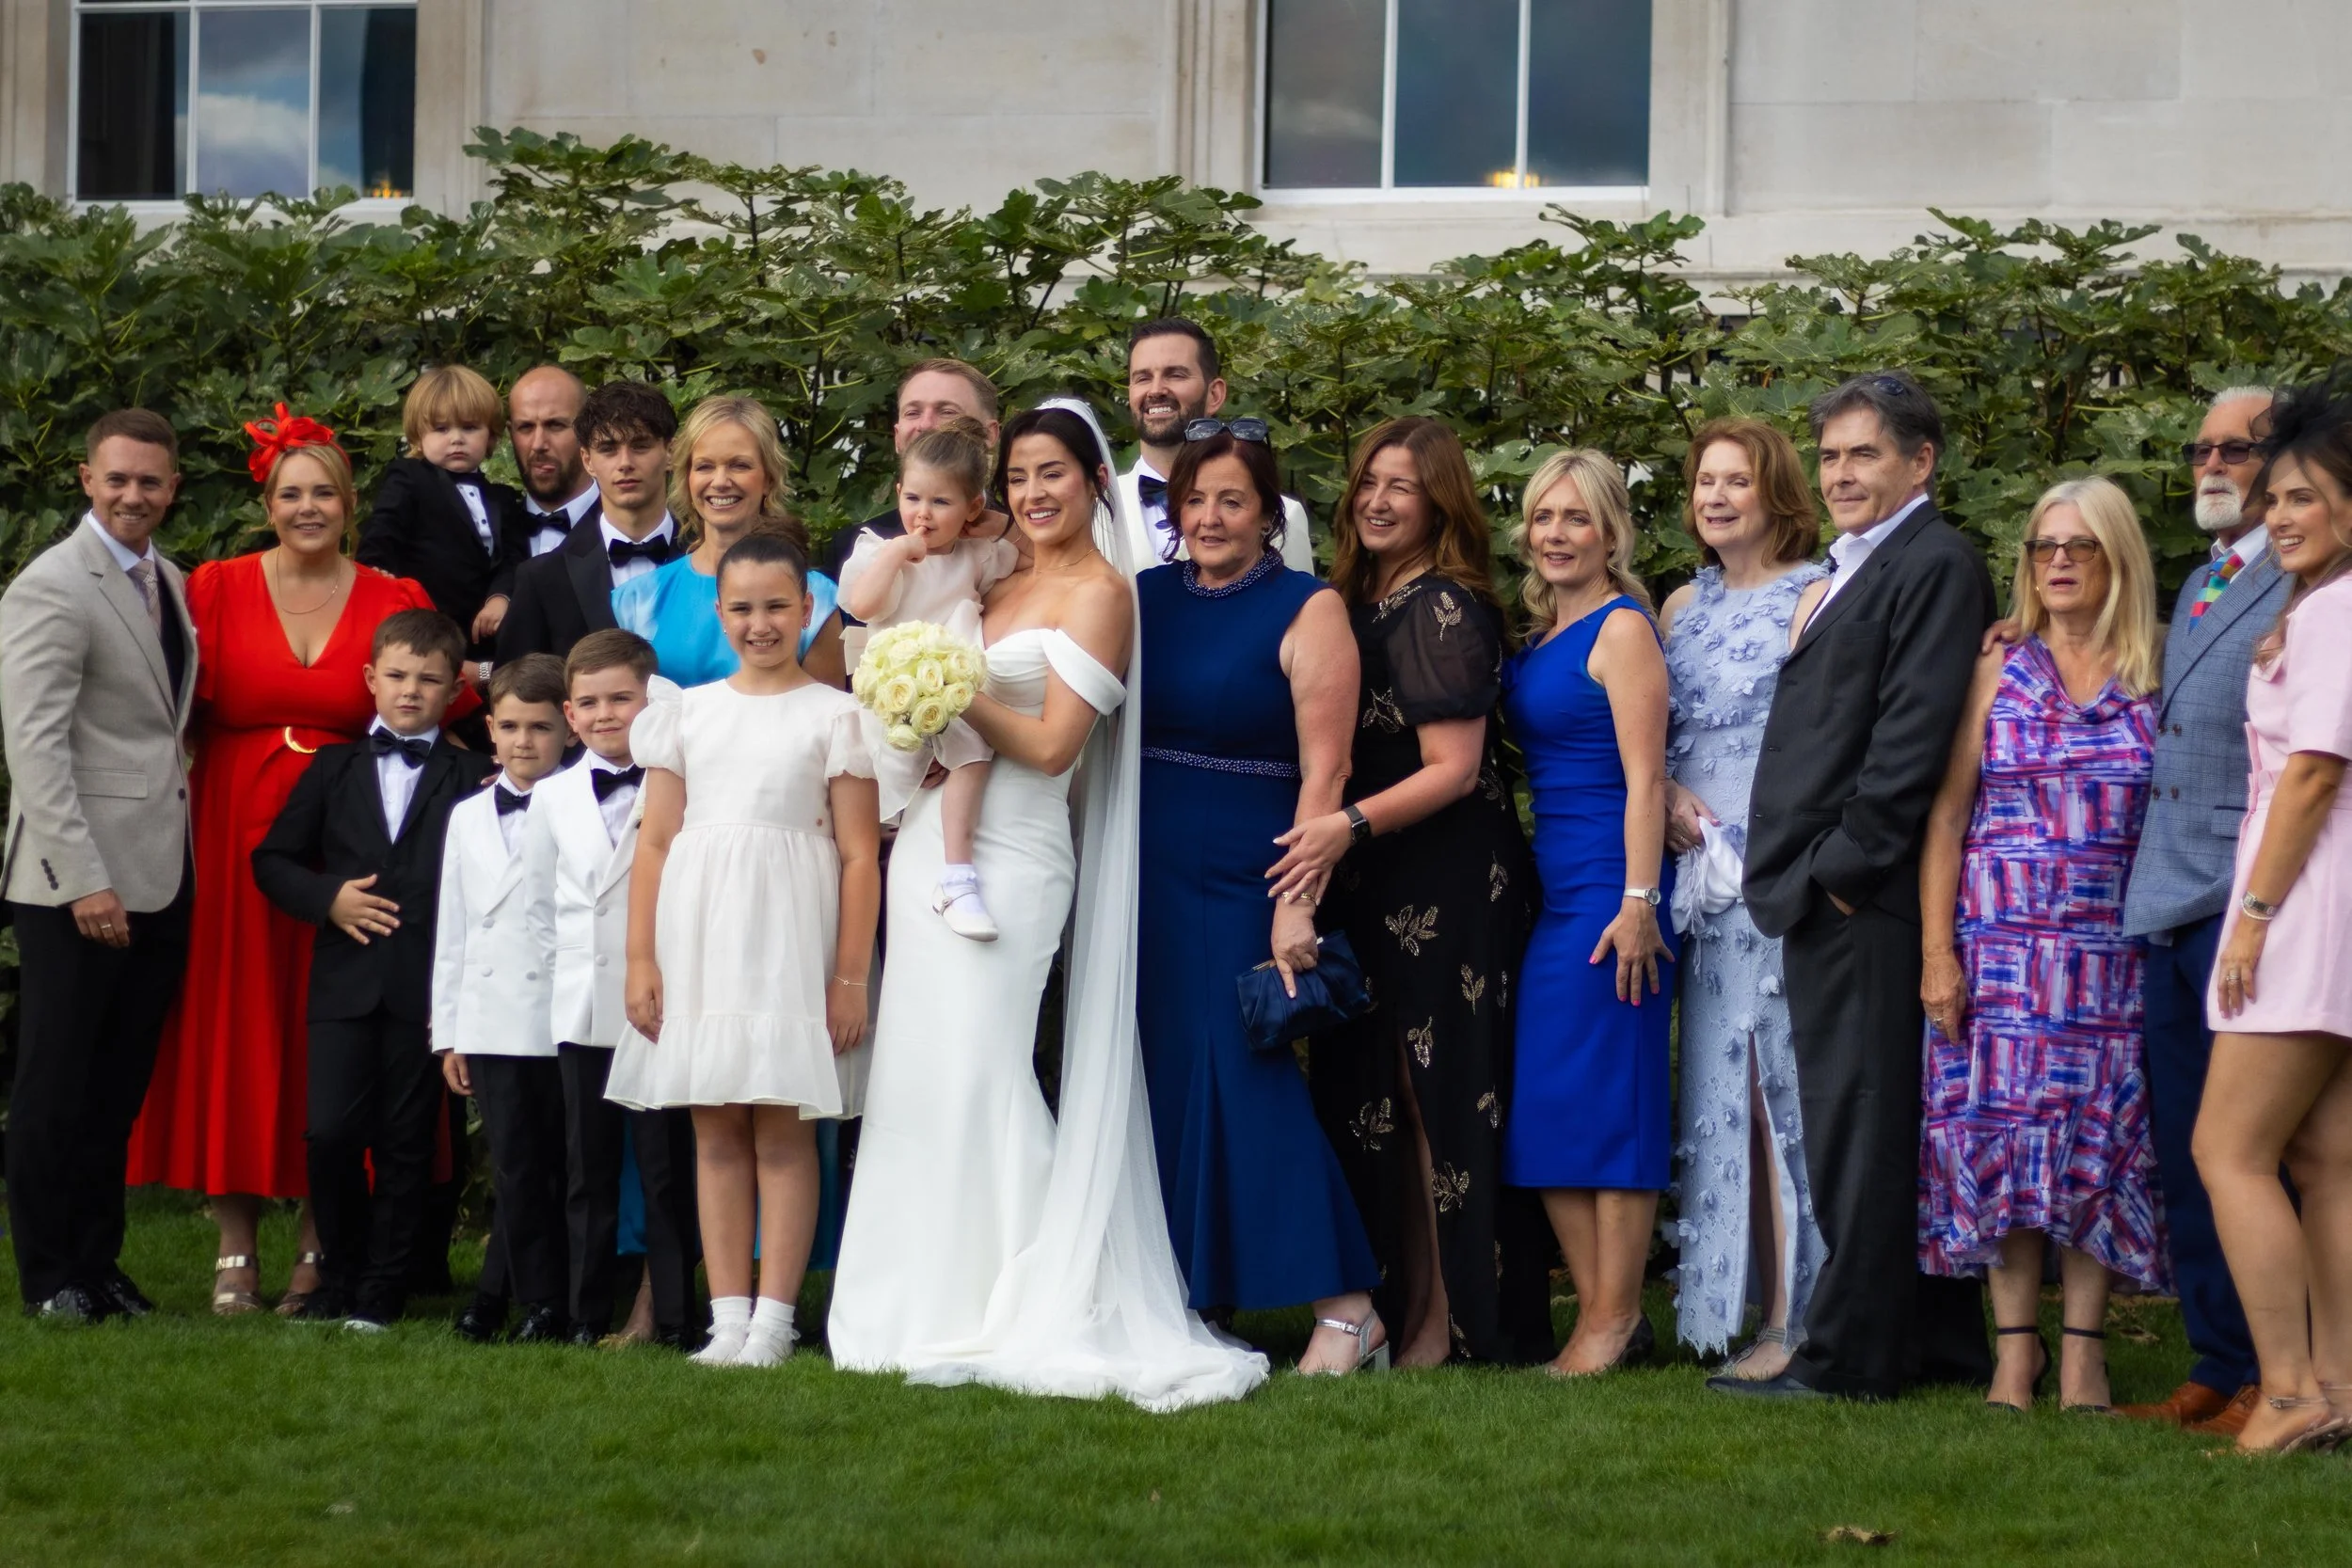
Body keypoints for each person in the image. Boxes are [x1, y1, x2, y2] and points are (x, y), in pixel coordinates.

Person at [828, 399, 1268, 1409]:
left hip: (1018, 851)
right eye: (1019, 475)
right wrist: (903, 689)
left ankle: (1039, 1292)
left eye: (1052, 474)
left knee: (984, 1067)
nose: (1032, 493)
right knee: (921, 1072)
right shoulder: (996, 574)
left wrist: (947, 684)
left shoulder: (1103, 594)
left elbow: (1052, 744)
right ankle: (910, 1300)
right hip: (933, 842)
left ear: (1095, 481)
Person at [127, 408, 472, 1319]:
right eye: (291, 493)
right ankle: (236, 1241)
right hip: (234, 834)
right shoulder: (214, 586)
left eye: (324, 492)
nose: (307, 507)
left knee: (337, 1033)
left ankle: (326, 1239)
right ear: (267, 503)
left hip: (358, 839)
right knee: (237, 1026)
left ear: (350, 504)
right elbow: (165, 706)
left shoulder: (393, 594)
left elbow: (444, 701)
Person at [1720, 371, 1996, 1403]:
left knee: (1860, 1125)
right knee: (1870, 1120)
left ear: (1920, 461)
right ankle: (1935, 1345)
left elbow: (1911, 741)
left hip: (1862, 896)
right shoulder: (1859, 563)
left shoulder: (1933, 561)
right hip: (1831, 891)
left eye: (1863, 453)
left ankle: (1851, 1357)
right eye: (1830, 455)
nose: (1839, 473)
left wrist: (1836, 877)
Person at [1302, 416, 1554, 1370]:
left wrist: (1346, 825)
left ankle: (1451, 1324)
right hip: (1370, 875)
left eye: (1399, 486)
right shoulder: (1350, 600)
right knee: (1381, 1095)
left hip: (1448, 876)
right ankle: (1402, 1306)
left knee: (1437, 1094)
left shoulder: (1442, 604)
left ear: (1438, 501)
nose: (1376, 500)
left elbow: (1454, 767)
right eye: (1367, 481)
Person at [1133, 422, 1385, 1371]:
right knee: (1167, 1078)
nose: (1209, 517)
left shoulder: (1306, 605)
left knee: (1249, 1076)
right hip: (1148, 868)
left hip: (1250, 866)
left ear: (1268, 513)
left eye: (1231, 500)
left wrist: (1297, 900)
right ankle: (1195, 1291)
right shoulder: (1145, 596)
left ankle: (1348, 1306)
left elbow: (1328, 769)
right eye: (1194, 499)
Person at [1917, 477, 2166, 1413]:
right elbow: (1946, 817)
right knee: (2001, 1140)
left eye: (2080, 545)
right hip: (1999, 954)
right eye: (2042, 546)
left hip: (2110, 956)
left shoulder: (2157, 668)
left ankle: (2085, 1354)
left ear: (2117, 558)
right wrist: (1937, 954)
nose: (2057, 560)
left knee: (2100, 1144)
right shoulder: (1998, 666)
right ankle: (2013, 1353)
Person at [611, 532, 881, 1368]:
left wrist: (849, 976)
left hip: (791, 938)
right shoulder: (686, 713)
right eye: (741, 608)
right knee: (716, 1126)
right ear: (719, 613)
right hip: (700, 937)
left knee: (783, 1131)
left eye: (776, 607)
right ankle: (727, 1318)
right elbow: (655, 842)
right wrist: (642, 959)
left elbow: (858, 854)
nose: (759, 623)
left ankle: (775, 1320)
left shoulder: (836, 715)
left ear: (807, 609)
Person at [1, 409, 198, 1323]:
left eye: (150, 481)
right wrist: (82, 877)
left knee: (115, 1086)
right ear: (86, 479)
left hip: (158, 869)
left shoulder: (171, 580)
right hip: (74, 881)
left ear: (172, 487)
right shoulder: (51, 585)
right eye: (117, 478)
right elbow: (35, 748)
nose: (133, 495)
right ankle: (50, 1278)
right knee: (57, 1083)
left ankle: (98, 1262)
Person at [2115, 388, 2287, 1435]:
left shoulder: (2312, 580)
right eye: (2199, 448)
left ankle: (2286, 1369)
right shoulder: (2201, 578)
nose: (2211, 464)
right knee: (2186, 1148)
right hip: (2166, 898)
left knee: (2262, 1153)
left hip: (2251, 897)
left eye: (2237, 449)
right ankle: (2218, 1363)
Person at [2193, 377, 2352, 1454]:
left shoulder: (2335, 609)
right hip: (2322, 890)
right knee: (2327, 1154)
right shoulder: (2322, 601)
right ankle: (2337, 1383)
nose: (2281, 516)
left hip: (2298, 897)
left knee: (2228, 1146)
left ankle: (2288, 1389)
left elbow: (2311, 772)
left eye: (2304, 497)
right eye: (2276, 497)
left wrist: (2251, 915)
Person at [1499, 450, 1679, 1377]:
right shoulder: (1543, 634)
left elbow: (1647, 779)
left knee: (1614, 1101)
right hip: (1557, 889)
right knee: (1549, 1104)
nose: (1557, 534)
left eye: (1576, 518)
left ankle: (1610, 1319)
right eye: (1544, 517)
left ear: (1611, 532)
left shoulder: (1623, 629)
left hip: (1614, 891)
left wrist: (1640, 901)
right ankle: (1607, 1313)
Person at [1656, 420, 1829, 1377]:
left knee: (1782, 1087)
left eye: (1737, 481)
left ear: (1777, 494)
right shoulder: (1682, 604)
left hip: (1777, 867)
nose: (1716, 498)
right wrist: (1669, 797)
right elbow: (1653, 732)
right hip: (1701, 883)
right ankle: (1732, 1302)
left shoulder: (1815, 592)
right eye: (1704, 482)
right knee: (1719, 1090)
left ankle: (1796, 1315)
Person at [250, 609, 474, 1329]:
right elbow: (272, 860)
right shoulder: (332, 768)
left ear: (454, 690)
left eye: (429, 679)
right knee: (330, 1134)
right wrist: (329, 898)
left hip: (428, 985)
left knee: (408, 1141)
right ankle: (337, 1275)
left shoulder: (475, 775)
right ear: (371, 678)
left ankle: (383, 1289)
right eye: (398, 675)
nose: (411, 690)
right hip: (343, 982)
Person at [522, 630, 702, 1349]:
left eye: (621, 698)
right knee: (587, 1168)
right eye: (589, 702)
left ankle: (678, 1316)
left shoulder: (678, 782)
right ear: (569, 713)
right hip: (583, 1004)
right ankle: (584, 1311)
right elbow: (540, 905)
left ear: (650, 701)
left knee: (666, 1168)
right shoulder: (552, 794)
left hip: (659, 1002)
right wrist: (566, 978)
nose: (604, 714)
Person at [839, 417, 1020, 941]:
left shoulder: (977, 557)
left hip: (954, 696)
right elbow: (862, 605)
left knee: (974, 756)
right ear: (898, 492)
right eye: (914, 497)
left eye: (941, 502)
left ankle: (958, 874)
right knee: (882, 803)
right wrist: (897, 553)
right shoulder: (879, 551)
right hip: (892, 700)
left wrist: (998, 525)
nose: (923, 513)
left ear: (971, 507)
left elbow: (1029, 556)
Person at [432, 654, 569, 1343]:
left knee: (549, 1162)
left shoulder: (584, 804)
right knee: (515, 1160)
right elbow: (453, 926)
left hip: (562, 1012)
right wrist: (448, 1031)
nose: (523, 741)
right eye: (510, 726)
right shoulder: (467, 815)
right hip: (489, 1018)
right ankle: (522, 1298)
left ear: (567, 728)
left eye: (539, 727)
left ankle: (521, 1298)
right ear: (489, 728)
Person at [612, 395, 846, 689]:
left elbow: (828, 712)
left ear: (769, 479)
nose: (720, 481)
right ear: (687, 477)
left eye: (739, 465)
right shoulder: (637, 600)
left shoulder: (816, 596)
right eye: (705, 467)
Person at [497, 379, 679, 665]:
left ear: (670, 453)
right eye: (608, 449)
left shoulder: (714, 558)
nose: (625, 463)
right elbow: (515, 685)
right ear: (587, 460)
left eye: (640, 446)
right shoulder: (541, 578)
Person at [356, 365, 528, 658]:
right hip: (422, 630)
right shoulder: (409, 478)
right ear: (418, 436)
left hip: (484, 634)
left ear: (491, 436)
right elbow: (383, 531)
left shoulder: (502, 497)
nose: (456, 438)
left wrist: (500, 597)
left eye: (469, 428)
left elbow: (513, 556)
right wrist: (375, 573)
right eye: (441, 429)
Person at [1119, 319, 1314, 576]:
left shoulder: (1283, 516)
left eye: (1175, 375)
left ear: (1215, 395)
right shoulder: (1094, 506)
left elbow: (1301, 601)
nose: (1156, 390)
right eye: (1143, 378)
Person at [820, 358, 1011, 586]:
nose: (926, 425)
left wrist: (1012, 533)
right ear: (897, 436)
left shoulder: (1023, 538)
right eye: (912, 413)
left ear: (989, 434)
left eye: (947, 411)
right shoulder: (851, 547)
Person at [509, 366, 602, 558]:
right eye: (526, 427)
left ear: (589, 430)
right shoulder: (489, 534)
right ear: (510, 434)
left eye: (555, 425)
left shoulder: (632, 532)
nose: (538, 444)